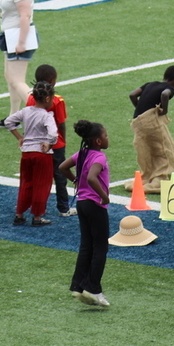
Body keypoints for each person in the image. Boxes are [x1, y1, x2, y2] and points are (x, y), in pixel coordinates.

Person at [60, 120, 110, 306]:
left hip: (81, 203)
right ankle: (93, 288)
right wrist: (104, 196)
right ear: (97, 141)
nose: (107, 139)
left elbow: (62, 167)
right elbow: (91, 177)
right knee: (100, 247)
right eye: (105, 136)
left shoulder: (81, 154)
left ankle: (78, 286)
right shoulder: (99, 157)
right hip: (95, 205)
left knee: (86, 246)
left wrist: (75, 181)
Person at [0, 80, 58, 226]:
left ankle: (19, 214)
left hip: (26, 153)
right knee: (41, 185)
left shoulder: (26, 111)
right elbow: (54, 134)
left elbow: (8, 122)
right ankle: (37, 217)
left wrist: (20, 137)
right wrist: (48, 143)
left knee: (26, 183)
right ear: (48, 98)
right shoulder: (46, 115)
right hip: (42, 155)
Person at [26, 64, 72, 216]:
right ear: (52, 81)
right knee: (59, 175)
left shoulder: (31, 98)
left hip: (35, 143)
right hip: (55, 143)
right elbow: (61, 123)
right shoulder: (57, 100)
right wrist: (63, 140)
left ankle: (38, 207)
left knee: (38, 176)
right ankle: (63, 208)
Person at [129, 65, 174, 187]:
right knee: (164, 149)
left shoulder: (150, 84)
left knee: (148, 150)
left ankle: (149, 174)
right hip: (151, 122)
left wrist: (140, 108)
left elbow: (132, 94)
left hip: (138, 121)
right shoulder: (170, 87)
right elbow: (165, 94)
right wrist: (164, 110)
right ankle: (160, 178)